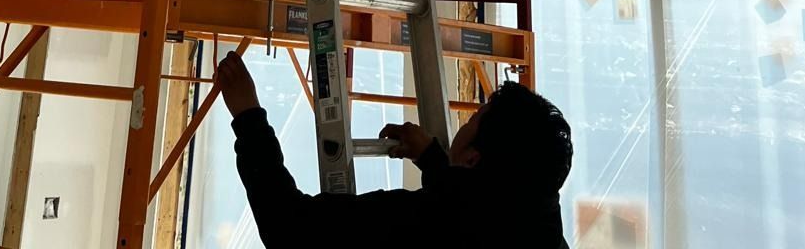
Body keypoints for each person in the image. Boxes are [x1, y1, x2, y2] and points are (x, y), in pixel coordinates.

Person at [216, 50, 572, 248]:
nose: (462, 127)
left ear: (474, 157)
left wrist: (248, 118)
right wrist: (432, 159)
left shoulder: (423, 224)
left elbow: (290, 231)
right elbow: (477, 209)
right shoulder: (542, 233)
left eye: (472, 121)